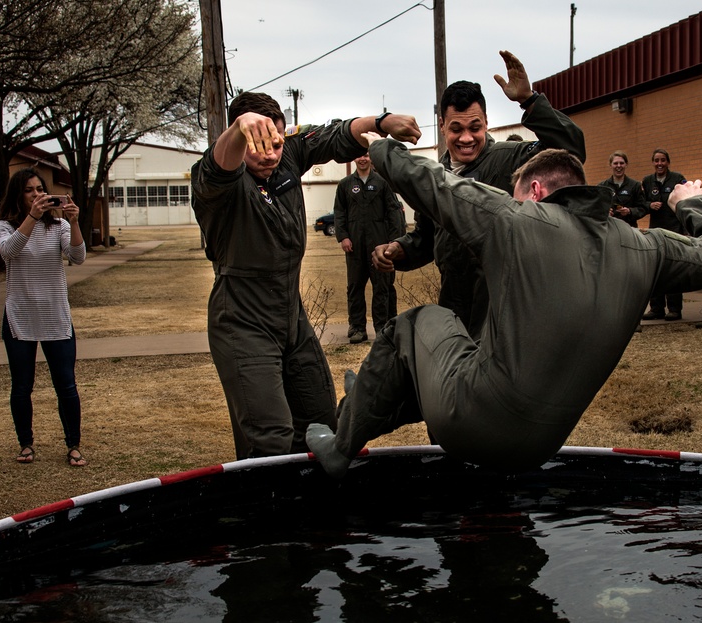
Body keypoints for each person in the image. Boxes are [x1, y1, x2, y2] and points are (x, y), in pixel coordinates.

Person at [306, 139, 702, 478]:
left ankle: (340, 448)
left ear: (534, 191)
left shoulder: (516, 220)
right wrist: (691, 201)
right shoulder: (645, 247)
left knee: (422, 322)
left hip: (473, 423)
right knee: (463, 351)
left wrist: (379, 143)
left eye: (517, 195)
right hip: (543, 447)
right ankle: (370, 394)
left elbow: (435, 184)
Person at [190, 92, 421, 460]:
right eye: (258, 144)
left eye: (276, 143)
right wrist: (238, 130)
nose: (269, 153)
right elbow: (219, 164)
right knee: (270, 438)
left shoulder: (287, 159)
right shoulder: (220, 184)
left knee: (320, 422)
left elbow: (335, 137)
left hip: (290, 317)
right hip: (242, 319)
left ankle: (316, 514)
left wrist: (380, 122)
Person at [371, 50, 586, 340]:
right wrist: (400, 249)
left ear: (486, 121)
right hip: (455, 310)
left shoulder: (511, 159)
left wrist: (530, 100)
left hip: (503, 310)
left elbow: (570, 151)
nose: (466, 138)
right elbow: (426, 237)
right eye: (456, 128)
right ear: (442, 125)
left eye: (475, 127)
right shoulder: (435, 177)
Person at [0, 168, 87, 467]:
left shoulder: (58, 225)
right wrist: (31, 218)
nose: (37, 194)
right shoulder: (3, 227)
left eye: (40, 189)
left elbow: (78, 257)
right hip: (19, 316)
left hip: (55, 315)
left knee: (66, 384)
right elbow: (10, 252)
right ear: (18, 195)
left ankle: (73, 445)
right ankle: (26, 444)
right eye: (29, 190)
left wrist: (74, 222)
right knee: (22, 386)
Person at [334, 154, 405, 343]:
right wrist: (343, 237)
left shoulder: (383, 183)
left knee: (383, 287)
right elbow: (339, 212)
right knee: (355, 287)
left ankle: (384, 328)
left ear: (371, 157)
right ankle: (357, 328)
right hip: (355, 247)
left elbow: (394, 212)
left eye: (365, 155)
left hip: (379, 247)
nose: (362, 159)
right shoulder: (345, 185)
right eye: (358, 156)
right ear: (354, 159)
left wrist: (394, 241)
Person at [640, 148, 687, 321]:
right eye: (656, 160)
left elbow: (685, 199)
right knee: (656, 270)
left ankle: (675, 309)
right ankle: (656, 308)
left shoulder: (677, 178)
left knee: (674, 270)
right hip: (655, 231)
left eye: (663, 160)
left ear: (668, 162)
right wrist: (649, 206)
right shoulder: (647, 181)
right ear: (653, 162)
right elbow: (640, 203)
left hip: (673, 230)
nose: (659, 164)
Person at [598, 151, 647, 228]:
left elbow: (643, 208)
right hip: (609, 228)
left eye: (621, 163)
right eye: (615, 163)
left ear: (626, 164)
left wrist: (630, 211)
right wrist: (604, 212)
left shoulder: (635, 185)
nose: (619, 166)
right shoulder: (602, 187)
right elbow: (596, 208)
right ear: (610, 165)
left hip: (629, 228)